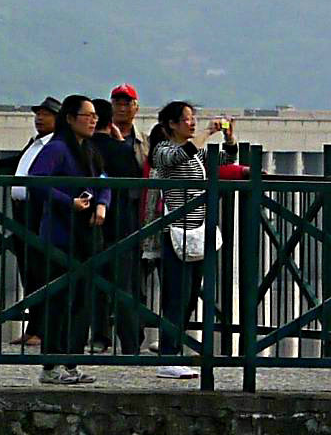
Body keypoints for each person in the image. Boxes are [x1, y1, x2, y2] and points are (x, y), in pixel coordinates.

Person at [21, 94, 102, 384]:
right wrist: (67, 202)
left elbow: (103, 180)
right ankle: (51, 365)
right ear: (70, 119)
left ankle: (71, 363)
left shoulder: (89, 149)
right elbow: (35, 180)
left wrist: (102, 203)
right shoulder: (57, 148)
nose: (93, 120)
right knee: (58, 300)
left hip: (84, 234)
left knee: (80, 302)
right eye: (87, 115)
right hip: (58, 235)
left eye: (95, 116)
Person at [144, 100, 209, 379]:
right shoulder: (163, 150)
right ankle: (168, 356)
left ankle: (173, 348)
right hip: (175, 230)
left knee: (190, 293)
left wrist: (229, 142)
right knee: (175, 294)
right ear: (171, 124)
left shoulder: (192, 154)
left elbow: (219, 163)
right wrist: (206, 136)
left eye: (193, 119)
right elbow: (174, 159)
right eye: (187, 119)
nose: (192, 124)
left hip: (195, 230)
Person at [87, 87, 147, 358]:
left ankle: (101, 338)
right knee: (125, 285)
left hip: (111, 220)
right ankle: (129, 342)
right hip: (123, 220)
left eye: (127, 103)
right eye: (117, 104)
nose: (122, 108)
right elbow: (136, 176)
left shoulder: (141, 141)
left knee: (106, 281)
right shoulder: (120, 148)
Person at [8, 98, 60, 346]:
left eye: (45, 115)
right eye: (37, 114)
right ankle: (32, 325)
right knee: (28, 272)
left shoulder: (55, 146)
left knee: (42, 273)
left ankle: (43, 328)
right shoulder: (34, 143)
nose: (39, 118)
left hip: (39, 213)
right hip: (22, 212)